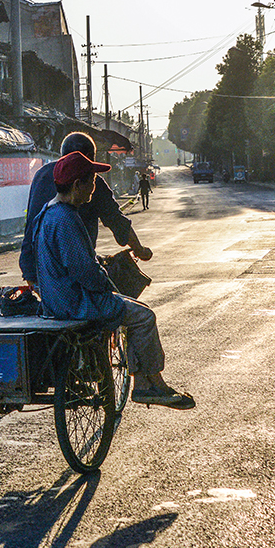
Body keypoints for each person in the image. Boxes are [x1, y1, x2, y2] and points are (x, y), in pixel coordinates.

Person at [29, 151, 194, 409]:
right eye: (92, 181)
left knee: (131, 309)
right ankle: (150, 385)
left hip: (56, 300)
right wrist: (108, 283)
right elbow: (84, 271)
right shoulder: (66, 219)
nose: (95, 188)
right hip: (75, 304)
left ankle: (145, 382)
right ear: (77, 185)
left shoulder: (47, 213)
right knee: (143, 316)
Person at [20, 131, 152, 285]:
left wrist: (30, 273)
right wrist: (139, 250)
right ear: (77, 186)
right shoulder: (74, 203)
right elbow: (118, 223)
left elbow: (30, 226)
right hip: (73, 278)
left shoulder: (42, 176)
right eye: (91, 180)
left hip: (38, 271)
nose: (92, 185)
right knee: (132, 308)